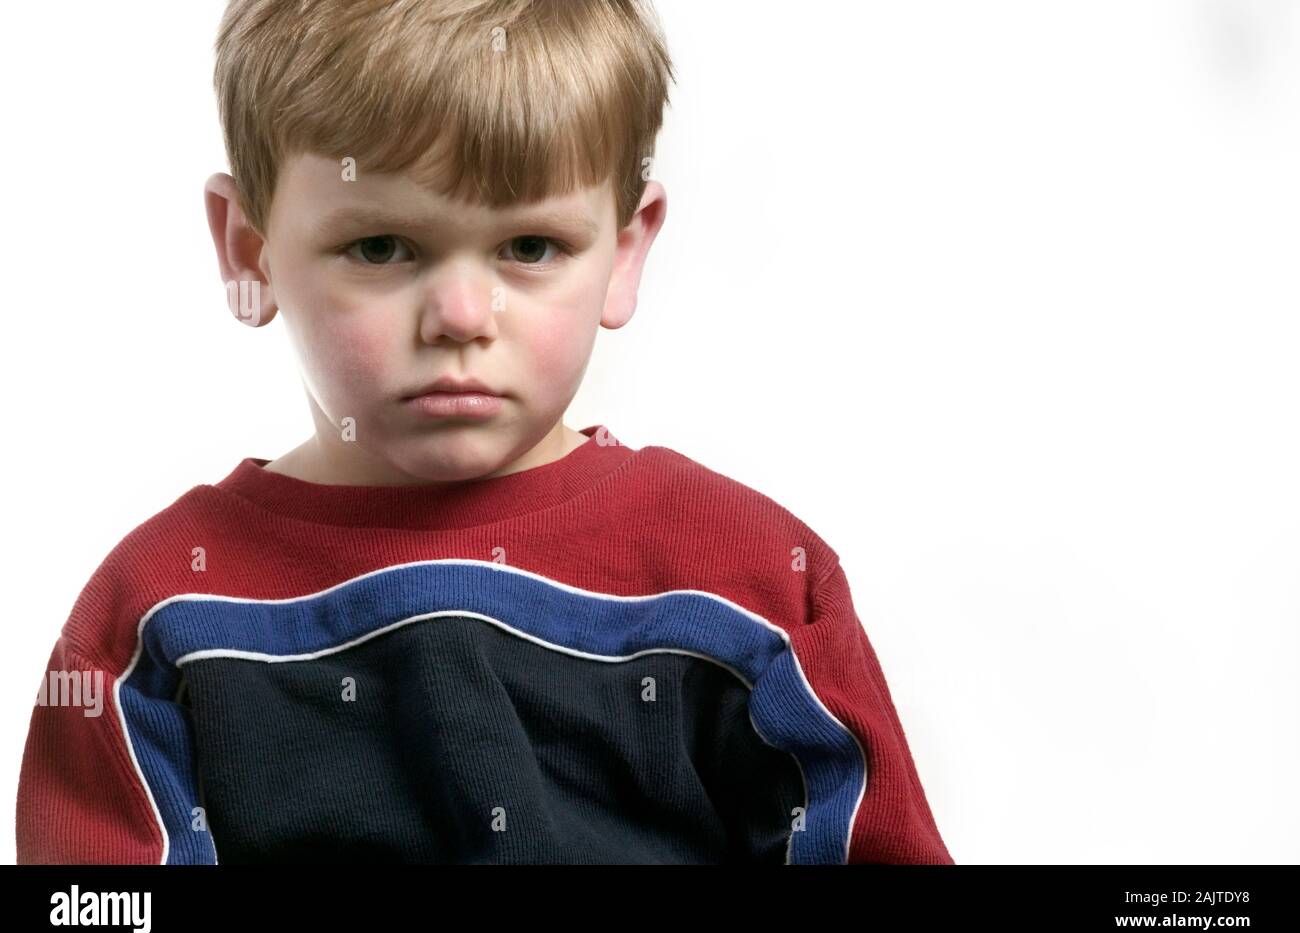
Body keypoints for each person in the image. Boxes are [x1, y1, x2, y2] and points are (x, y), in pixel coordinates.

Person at [16, 0, 953, 864]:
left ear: (625, 252)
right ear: (250, 252)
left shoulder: (751, 586)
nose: (462, 314)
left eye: (529, 247)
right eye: (382, 247)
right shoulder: (156, 618)